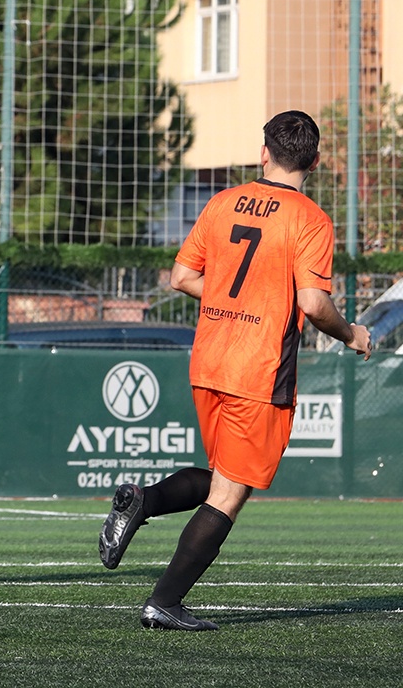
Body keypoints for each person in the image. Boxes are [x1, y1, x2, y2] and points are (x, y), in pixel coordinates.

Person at [98, 110, 373, 630]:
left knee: (223, 478)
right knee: (229, 492)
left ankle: (143, 500)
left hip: (209, 359)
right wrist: (351, 333)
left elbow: (182, 277)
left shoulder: (222, 202)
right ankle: (164, 601)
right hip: (258, 369)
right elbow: (314, 304)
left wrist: (234, 297)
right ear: (315, 161)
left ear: (263, 153)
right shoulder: (310, 219)